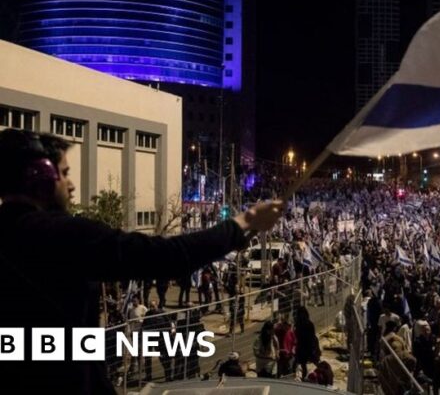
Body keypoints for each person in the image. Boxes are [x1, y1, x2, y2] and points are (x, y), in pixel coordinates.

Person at [0, 129, 285, 394]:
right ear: (41, 178)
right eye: (64, 173)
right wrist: (244, 222)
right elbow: (164, 256)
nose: (71, 184)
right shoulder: (61, 234)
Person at [294, 306, 320, 379]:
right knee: (303, 364)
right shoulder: (299, 324)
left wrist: (313, 348)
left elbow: (312, 336)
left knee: (314, 361)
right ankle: (303, 377)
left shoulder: (308, 324)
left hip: (308, 346)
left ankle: (320, 373)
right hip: (302, 347)